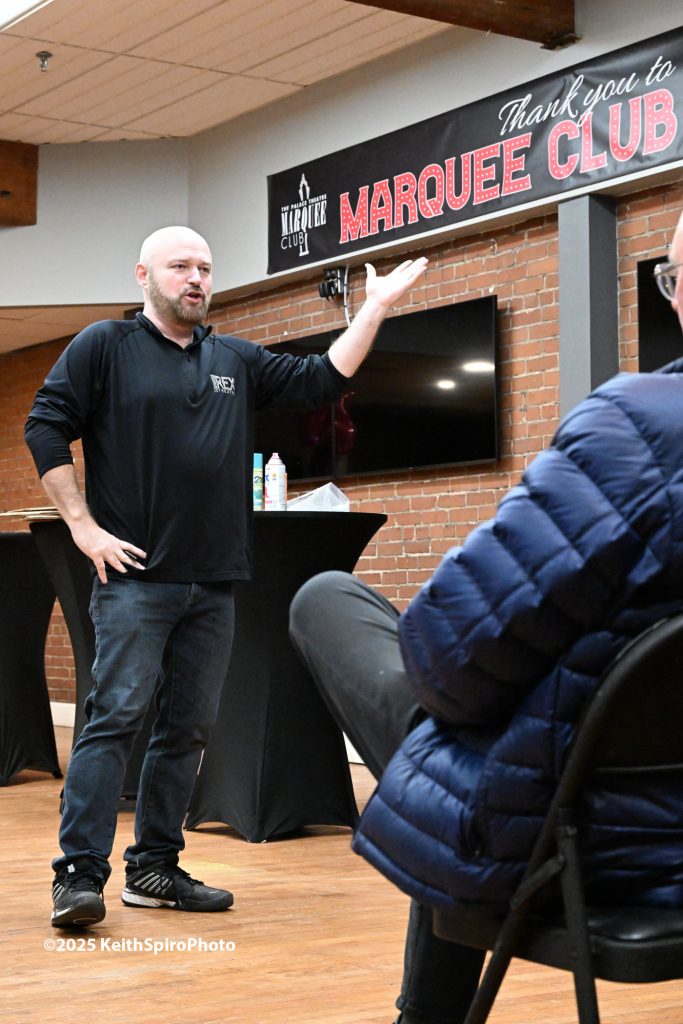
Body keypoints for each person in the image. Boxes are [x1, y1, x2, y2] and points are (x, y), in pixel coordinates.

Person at [289, 208, 683, 1024]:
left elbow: (446, 662)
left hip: (592, 834)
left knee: (326, 601)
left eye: (672, 277)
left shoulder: (641, 426)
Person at [24, 224, 427, 929]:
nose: (195, 279)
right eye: (180, 266)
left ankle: (154, 868)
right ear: (143, 274)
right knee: (114, 720)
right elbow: (46, 426)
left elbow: (322, 379)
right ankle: (78, 877)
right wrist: (83, 527)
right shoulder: (104, 347)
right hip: (135, 579)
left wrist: (375, 307)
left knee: (187, 729)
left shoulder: (233, 360)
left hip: (212, 582)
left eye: (205, 268)